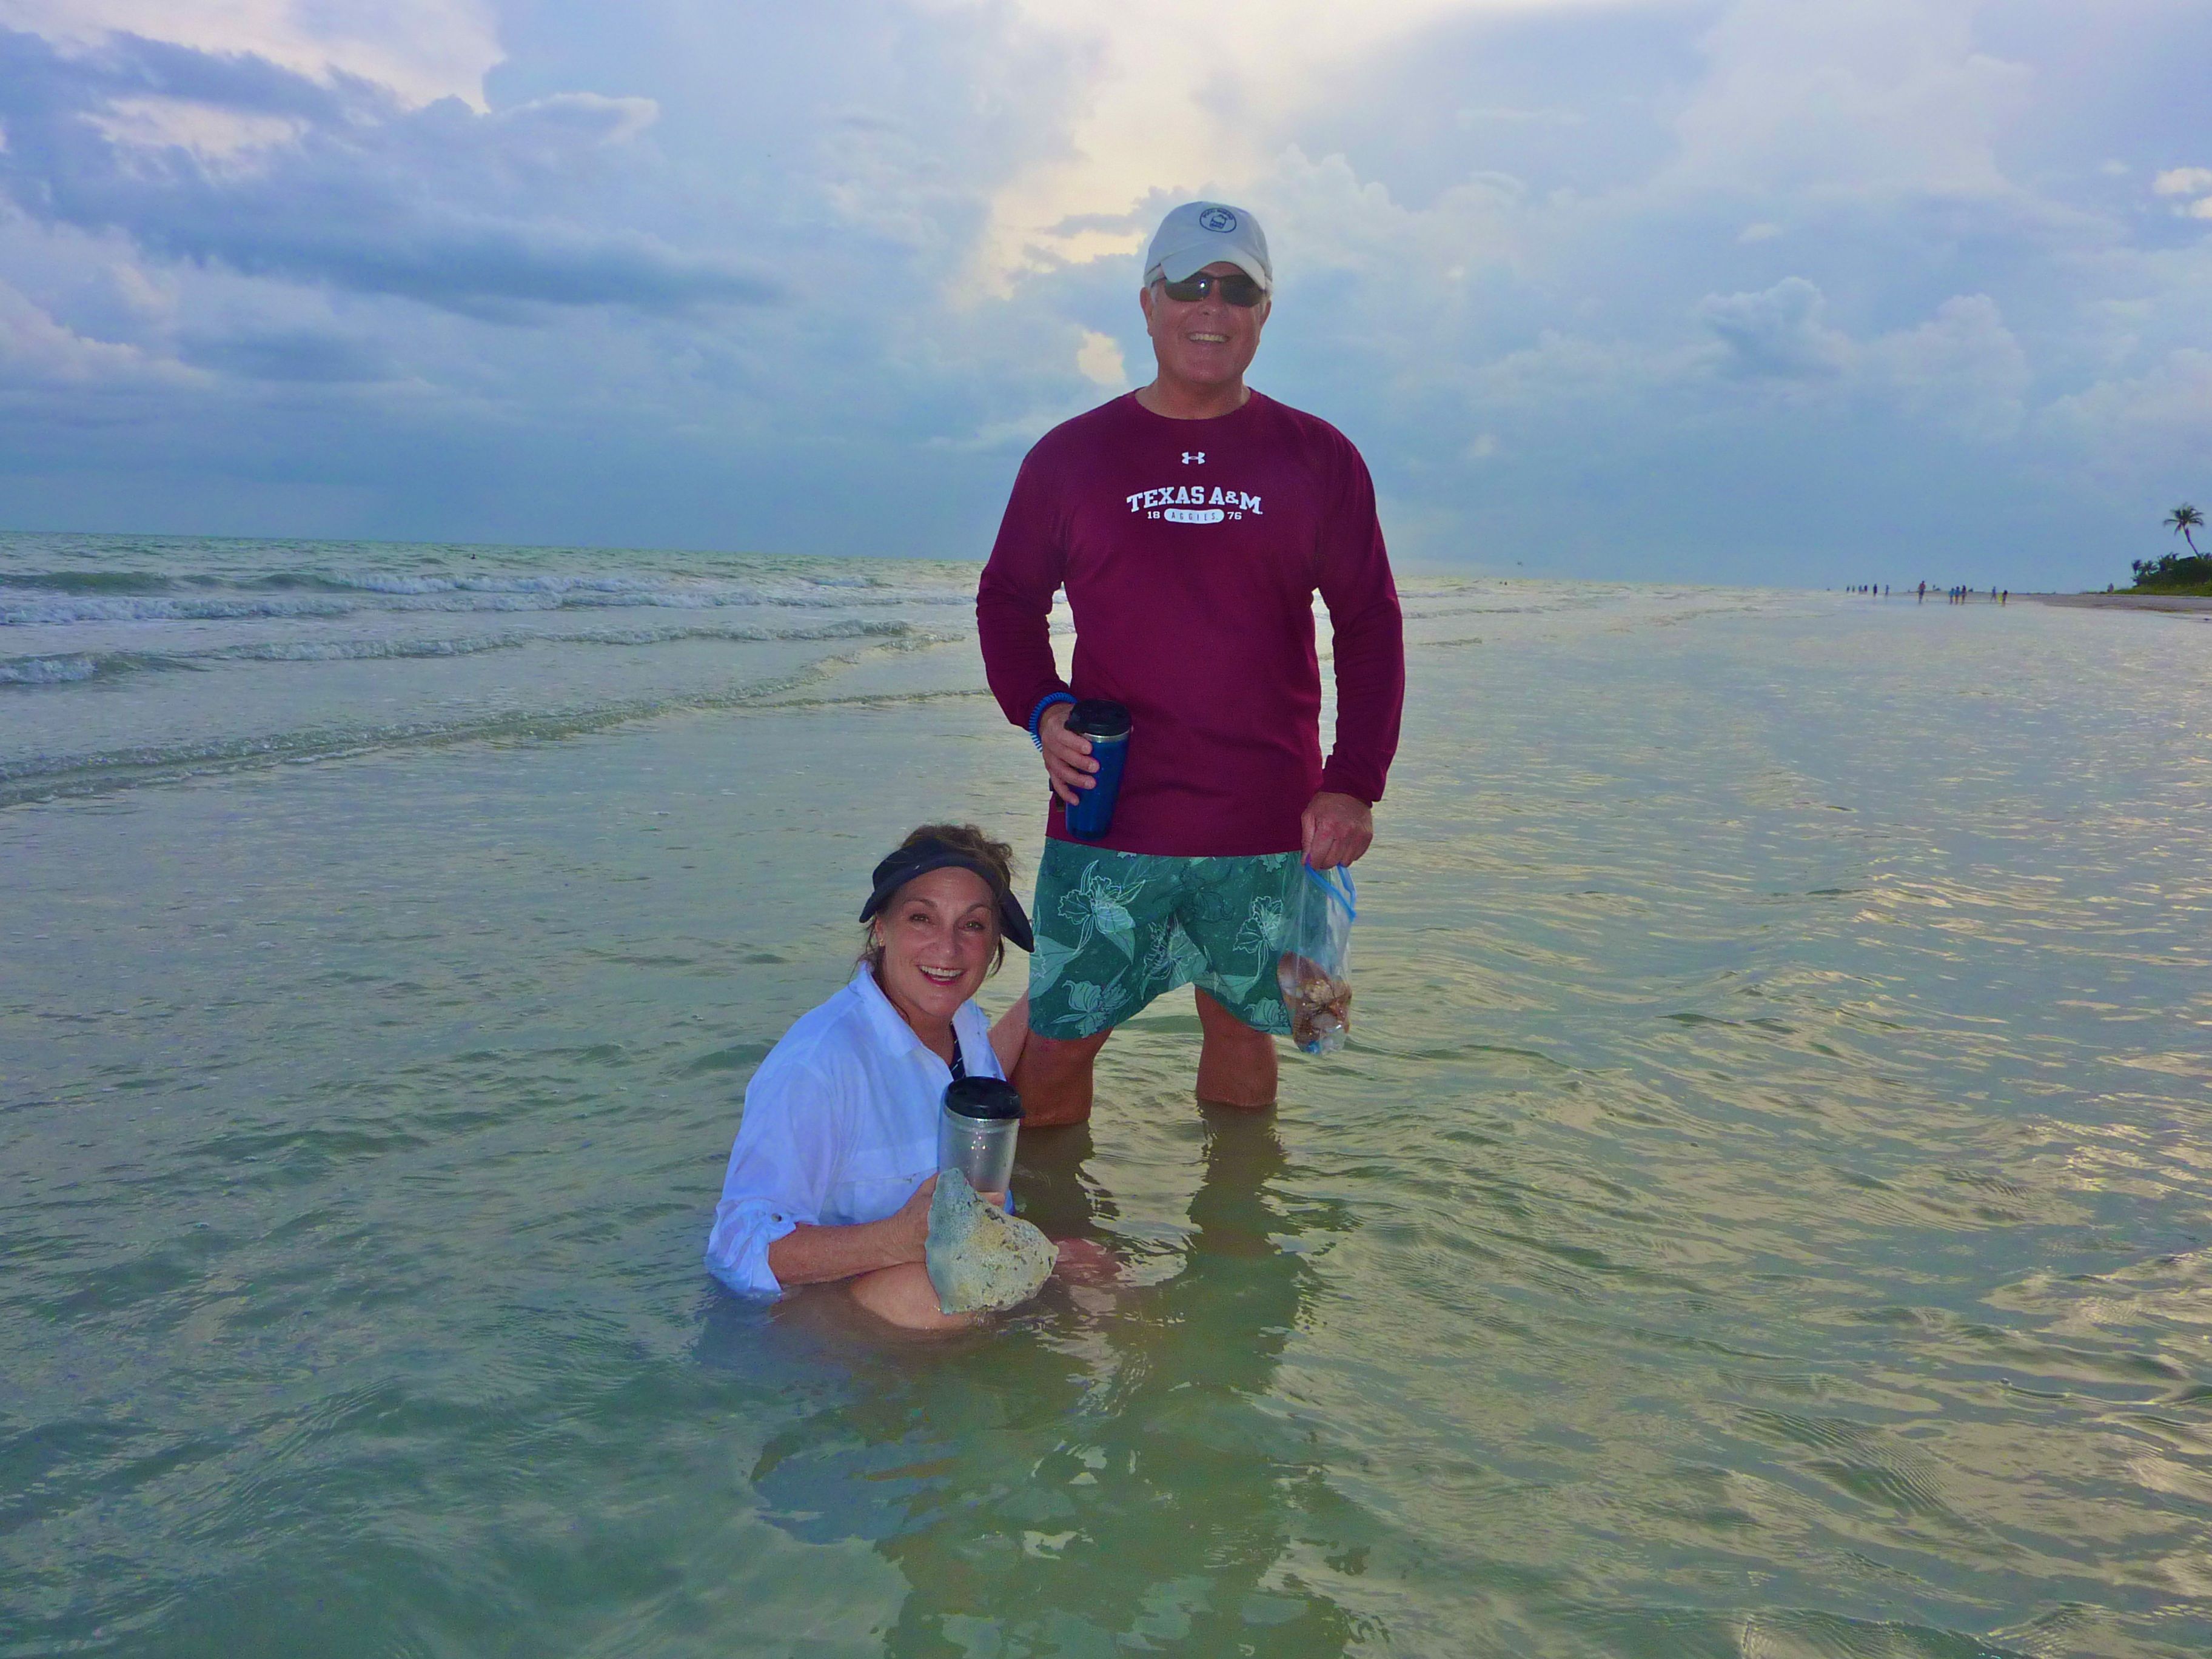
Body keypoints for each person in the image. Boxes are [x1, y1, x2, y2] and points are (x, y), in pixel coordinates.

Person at [975, 199, 1406, 1127]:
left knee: (1245, 1035)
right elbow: (1007, 600)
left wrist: (1354, 782)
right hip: (1108, 811)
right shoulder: (1071, 457)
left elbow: (1369, 620)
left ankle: (1239, 1217)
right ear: (1148, 302)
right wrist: (1044, 708)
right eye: (1189, 284)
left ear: (1264, 312)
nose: (1212, 306)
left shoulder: (1319, 458)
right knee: (1061, 1039)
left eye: (1237, 289)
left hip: (1268, 821)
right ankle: (1051, 1215)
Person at [704, 825, 1039, 1331]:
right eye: (922, 918)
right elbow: (735, 1248)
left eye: (972, 925)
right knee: (929, 1301)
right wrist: (893, 1240)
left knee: (1095, 1268)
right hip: (827, 1327)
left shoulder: (967, 1028)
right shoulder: (819, 1063)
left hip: (953, 1289)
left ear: (995, 942)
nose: (948, 950)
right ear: (881, 928)